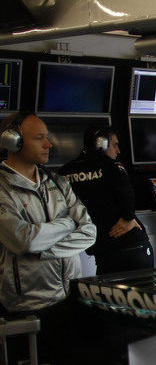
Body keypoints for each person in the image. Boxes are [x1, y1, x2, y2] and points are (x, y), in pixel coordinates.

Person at [0, 113, 95, 315]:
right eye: (39, 138)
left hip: (69, 296)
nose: (48, 144)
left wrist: (41, 251)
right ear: (12, 141)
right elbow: (24, 240)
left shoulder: (58, 183)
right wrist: (68, 224)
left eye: (47, 136)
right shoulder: (2, 188)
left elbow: (89, 233)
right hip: (27, 306)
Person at [60, 126, 154, 274]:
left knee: (107, 296)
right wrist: (128, 218)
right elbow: (128, 197)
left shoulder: (65, 172)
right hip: (131, 247)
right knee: (141, 296)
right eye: (115, 145)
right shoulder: (112, 167)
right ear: (101, 143)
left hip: (103, 248)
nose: (118, 151)